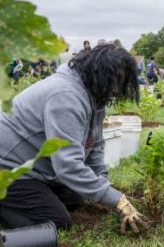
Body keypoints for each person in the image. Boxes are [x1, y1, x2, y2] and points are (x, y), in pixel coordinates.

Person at [0, 44, 148, 234]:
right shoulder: (65, 97)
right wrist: (117, 199)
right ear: (100, 73)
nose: (116, 90)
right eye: (115, 82)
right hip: (7, 168)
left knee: (77, 200)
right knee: (57, 221)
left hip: (32, 167)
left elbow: (95, 145)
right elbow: (67, 166)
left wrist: (104, 185)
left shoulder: (95, 96)